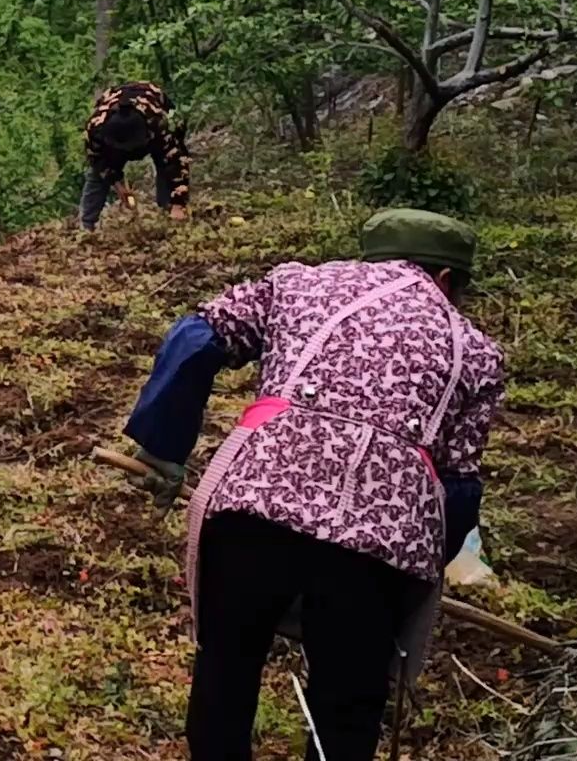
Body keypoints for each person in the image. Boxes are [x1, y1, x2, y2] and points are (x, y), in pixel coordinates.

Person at [119, 208, 504, 761]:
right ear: (446, 280)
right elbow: (459, 487)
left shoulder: (296, 283)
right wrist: (415, 576)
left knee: (226, 669)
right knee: (346, 712)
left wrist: (164, 448)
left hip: (251, 509)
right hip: (378, 545)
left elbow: (197, 338)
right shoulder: (477, 352)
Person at [80, 81, 191, 231]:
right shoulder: (95, 128)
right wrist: (117, 184)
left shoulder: (159, 123)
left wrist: (179, 202)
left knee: (166, 166)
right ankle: (86, 227)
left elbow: (178, 162)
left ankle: (169, 215)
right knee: (96, 176)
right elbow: (97, 161)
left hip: (152, 121)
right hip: (112, 141)